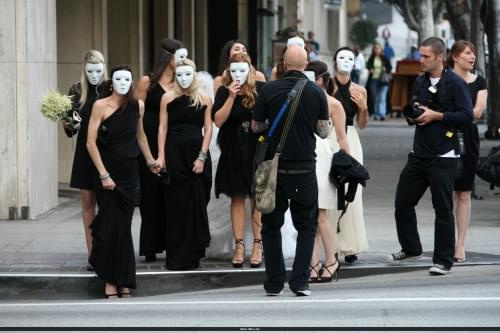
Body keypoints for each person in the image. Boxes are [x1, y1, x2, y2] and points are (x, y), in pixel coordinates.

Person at [389, 37, 473, 275]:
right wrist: (415, 116)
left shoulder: (456, 84)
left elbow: (466, 116)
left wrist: (437, 116)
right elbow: (416, 109)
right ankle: (412, 248)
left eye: (425, 56)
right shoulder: (420, 82)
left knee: (443, 208)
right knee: (403, 202)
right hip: (419, 153)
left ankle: (443, 261)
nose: (420, 60)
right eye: (420, 55)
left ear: (439, 57)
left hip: (444, 156)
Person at [251, 45, 330, 296]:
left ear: (283, 64)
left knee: (271, 226)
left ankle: (274, 283)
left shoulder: (269, 89)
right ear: (306, 65)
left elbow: (255, 126)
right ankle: (300, 282)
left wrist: (270, 127)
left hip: (275, 170)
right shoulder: (316, 92)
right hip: (304, 169)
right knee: (306, 226)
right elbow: (324, 131)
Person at [86, 65, 157, 298]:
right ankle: (109, 280)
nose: (123, 82)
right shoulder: (100, 106)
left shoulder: (138, 105)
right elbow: (90, 143)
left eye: (128, 78)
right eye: (119, 78)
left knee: (124, 228)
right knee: (110, 226)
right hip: (108, 172)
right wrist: (103, 174)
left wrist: (150, 161)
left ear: (132, 81)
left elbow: (140, 135)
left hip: (129, 173)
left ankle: (124, 280)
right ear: (112, 81)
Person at [157, 59, 213, 270]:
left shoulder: (204, 99)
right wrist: (161, 156)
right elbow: (162, 128)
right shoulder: (167, 98)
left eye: (187, 74)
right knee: (175, 204)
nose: (183, 79)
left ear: (194, 75)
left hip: (196, 153)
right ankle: (176, 256)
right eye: (179, 75)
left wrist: (202, 156)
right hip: (174, 153)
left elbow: (208, 130)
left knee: (196, 202)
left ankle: (194, 253)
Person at [212, 53, 265, 268]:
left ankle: (258, 246)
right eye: (233, 70)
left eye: (242, 70)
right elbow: (217, 120)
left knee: (257, 198)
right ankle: (240, 245)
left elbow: (268, 118)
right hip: (233, 148)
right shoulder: (224, 92)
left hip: (255, 147)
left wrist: (258, 124)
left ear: (250, 70)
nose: (238, 75)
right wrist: (231, 97)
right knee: (236, 197)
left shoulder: (260, 89)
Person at [135, 38, 185, 262]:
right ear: (168, 57)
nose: (183, 59)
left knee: (171, 195)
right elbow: (137, 113)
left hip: (171, 142)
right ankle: (150, 246)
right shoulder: (148, 81)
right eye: (179, 55)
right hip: (149, 142)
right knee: (150, 196)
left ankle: (170, 242)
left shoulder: (181, 82)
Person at [63, 50, 107, 271]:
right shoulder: (77, 90)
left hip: (107, 151)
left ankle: (106, 249)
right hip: (84, 153)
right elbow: (70, 130)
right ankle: (92, 254)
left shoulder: (110, 87)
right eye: (90, 71)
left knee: (107, 205)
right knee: (88, 204)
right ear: (84, 70)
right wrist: (70, 121)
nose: (94, 75)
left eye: (98, 70)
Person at [305, 60, 349, 283]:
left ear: (321, 79)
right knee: (309, 215)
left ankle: (331, 259)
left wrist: (345, 168)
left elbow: (342, 138)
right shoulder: (301, 99)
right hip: (306, 158)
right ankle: (313, 263)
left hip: (324, 158)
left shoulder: (333, 104)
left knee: (320, 214)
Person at [448, 40, 488, 263]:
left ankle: (460, 244)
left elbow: (477, 112)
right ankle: (444, 241)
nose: (472, 57)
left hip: (468, 138)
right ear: (455, 57)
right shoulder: (445, 79)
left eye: (473, 53)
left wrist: (450, 113)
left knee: (463, 192)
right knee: (445, 192)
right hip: (443, 137)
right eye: (466, 53)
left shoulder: (479, 81)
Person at [332, 46, 369, 264]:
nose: (346, 61)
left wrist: (363, 107)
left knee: (351, 190)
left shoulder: (360, 90)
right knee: (330, 189)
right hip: (330, 137)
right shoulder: (327, 85)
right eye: (341, 57)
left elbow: (363, 124)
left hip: (351, 136)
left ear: (355, 63)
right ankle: (331, 243)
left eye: (350, 58)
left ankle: (349, 244)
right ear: (335, 61)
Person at [366, 41, 392, 120]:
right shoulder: (371, 58)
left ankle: (382, 114)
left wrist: (385, 69)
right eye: (375, 48)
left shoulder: (384, 58)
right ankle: (376, 114)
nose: (377, 50)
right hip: (373, 80)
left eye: (378, 48)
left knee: (382, 97)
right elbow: (367, 65)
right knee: (374, 97)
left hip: (383, 80)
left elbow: (389, 67)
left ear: (381, 49)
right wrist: (370, 69)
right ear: (373, 50)